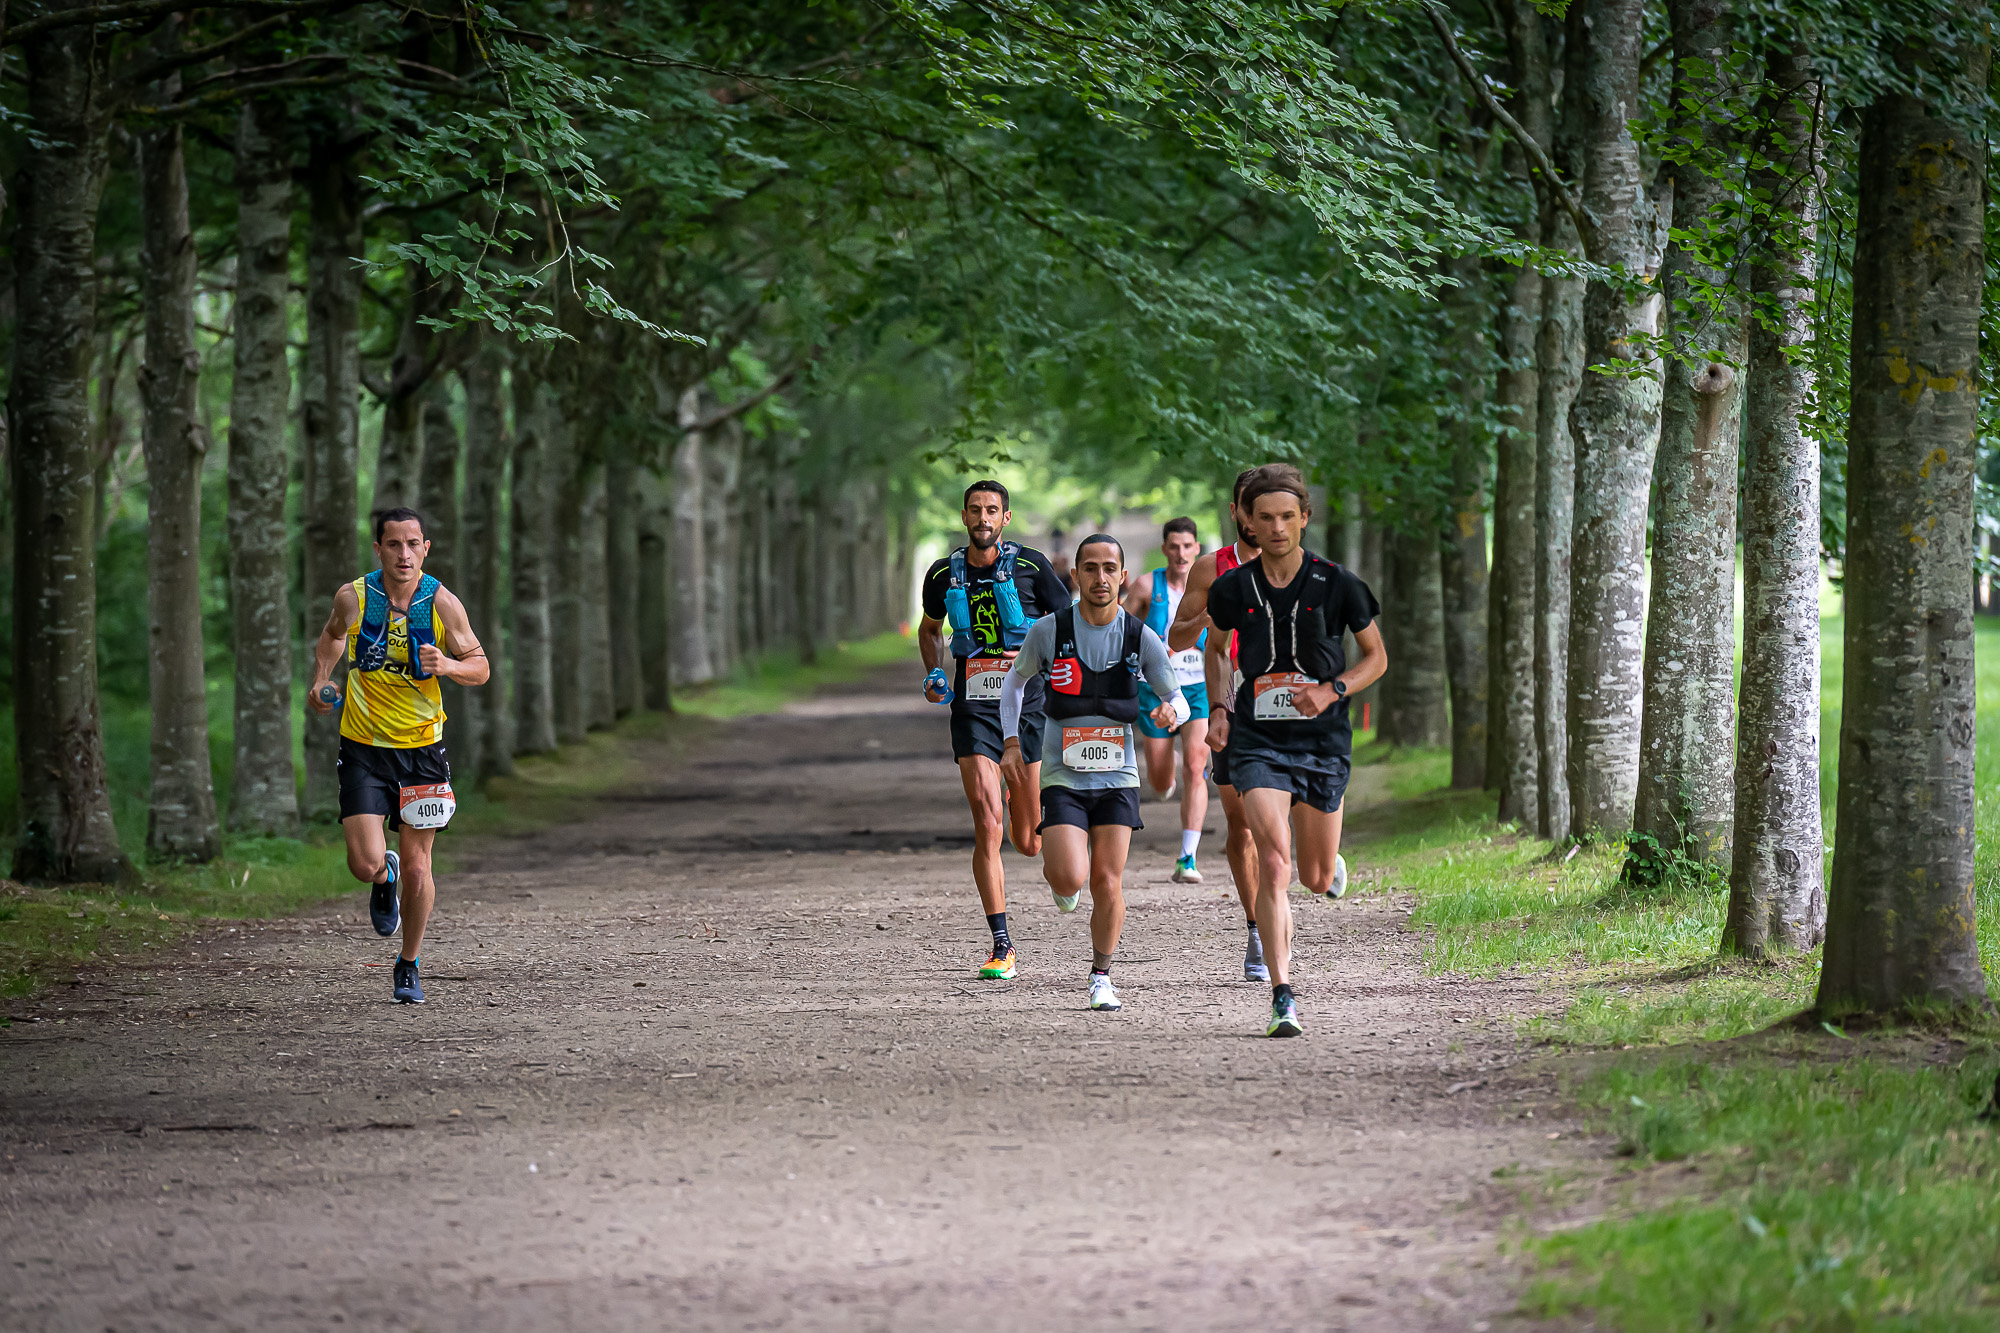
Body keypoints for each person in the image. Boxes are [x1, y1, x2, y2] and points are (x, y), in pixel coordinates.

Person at [1201, 465, 1385, 1037]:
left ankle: (1328, 862)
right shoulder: (1232, 588)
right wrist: (1219, 709)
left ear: (1305, 518)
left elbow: (1376, 658)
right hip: (1257, 740)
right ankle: (1283, 996)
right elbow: (1215, 649)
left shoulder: (1338, 583)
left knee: (1314, 876)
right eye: (1265, 518)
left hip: (1323, 740)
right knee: (1274, 861)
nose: (1277, 527)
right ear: (1247, 522)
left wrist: (1332, 690)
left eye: (1287, 516)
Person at [307, 507, 490, 1005]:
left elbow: (480, 667)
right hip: (363, 747)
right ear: (379, 549)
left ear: (425, 548)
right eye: (393, 544)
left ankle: (408, 964)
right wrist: (322, 680)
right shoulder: (354, 597)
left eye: (413, 544)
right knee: (364, 864)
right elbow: (332, 636)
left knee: (419, 868)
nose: (403, 554)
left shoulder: (443, 604)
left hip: (423, 751)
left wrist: (448, 665)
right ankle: (380, 875)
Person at [1000, 535, 1187, 1013]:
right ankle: (1064, 882)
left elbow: (1178, 698)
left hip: (1118, 779)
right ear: (1076, 575)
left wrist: (1172, 713)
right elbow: (1014, 684)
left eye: (1109, 569)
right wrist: (1011, 742)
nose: (1100, 578)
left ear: (1123, 577)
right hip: (1063, 776)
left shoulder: (1139, 636)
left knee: (1107, 882)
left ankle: (1101, 976)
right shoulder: (1049, 630)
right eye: (1090, 568)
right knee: (1068, 877)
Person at [918, 482, 1072, 980]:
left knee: (1028, 842)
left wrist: (1045, 660)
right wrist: (934, 671)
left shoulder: (1031, 566)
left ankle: (1042, 837)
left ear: (1005, 518)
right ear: (963, 516)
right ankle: (1001, 944)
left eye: (992, 510)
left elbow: (1068, 623)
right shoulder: (942, 573)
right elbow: (929, 629)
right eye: (975, 509)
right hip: (974, 709)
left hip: (1027, 707)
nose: (983, 517)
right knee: (987, 825)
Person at [1163, 469, 1273, 981]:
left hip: (1286, 697)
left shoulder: (1302, 566)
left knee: (1285, 812)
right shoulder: (1212, 567)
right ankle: (1257, 927)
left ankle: (1319, 849)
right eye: (1248, 508)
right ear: (1235, 512)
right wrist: (1209, 618)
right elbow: (1176, 638)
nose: (1257, 519)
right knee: (1242, 822)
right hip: (1231, 698)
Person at [1123, 517, 1210, 884]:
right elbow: (1119, 627)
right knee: (1160, 781)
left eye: (1187, 546)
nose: (1181, 553)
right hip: (1154, 690)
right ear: (1164, 549)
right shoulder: (1147, 585)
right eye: (1174, 546)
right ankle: (1164, 774)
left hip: (1198, 686)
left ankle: (1188, 857)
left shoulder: (1210, 585)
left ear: (1197, 549)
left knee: (1195, 765)